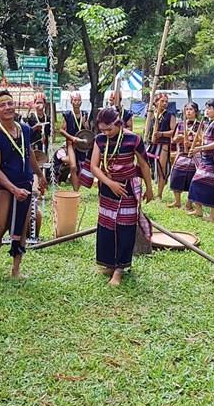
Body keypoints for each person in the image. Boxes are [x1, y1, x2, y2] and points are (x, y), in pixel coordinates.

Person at [0, 91, 46, 279]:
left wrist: (39, 174)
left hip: (25, 184)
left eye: (10, 103)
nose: (7, 108)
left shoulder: (25, 129)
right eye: (2, 105)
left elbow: (29, 153)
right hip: (6, 188)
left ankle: (16, 269)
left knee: (22, 226)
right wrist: (13, 189)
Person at [90, 106, 154, 286]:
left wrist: (149, 188)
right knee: (106, 227)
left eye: (109, 129)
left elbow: (144, 165)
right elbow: (94, 166)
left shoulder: (133, 139)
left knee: (125, 228)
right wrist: (110, 183)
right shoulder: (100, 140)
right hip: (107, 188)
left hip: (127, 189)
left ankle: (120, 269)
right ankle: (109, 264)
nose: (106, 133)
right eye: (102, 129)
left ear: (118, 124)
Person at [187, 99, 214, 222]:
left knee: (212, 186)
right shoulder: (209, 123)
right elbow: (205, 139)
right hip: (206, 158)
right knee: (196, 182)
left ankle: (213, 216)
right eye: (207, 108)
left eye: (210, 108)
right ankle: (198, 210)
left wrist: (199, 148)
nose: (207, 110)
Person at [168, 102, 201, 210]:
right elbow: (174, 139)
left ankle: (189, 203)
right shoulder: (180, 124)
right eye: (186, 110)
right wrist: (179, 138)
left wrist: (191, 143)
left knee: (192, 179)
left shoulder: (200, 125)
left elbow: (202, 141)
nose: (188, 112)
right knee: (176, 176)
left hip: (194, 156)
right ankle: (177, 201)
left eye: (191, 109)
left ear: (196, 112)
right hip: (181, 155)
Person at [60, 91, 93, 190]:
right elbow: (61, 130)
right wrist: (72, 138)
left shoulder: (84, 114)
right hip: (71, 143)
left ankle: (76, 190)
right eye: (75, 100)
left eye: (79, 100)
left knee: (81, 167)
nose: (77, 102)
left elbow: (88, 130)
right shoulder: (68, 114)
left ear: (81, 102)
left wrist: (85, 124)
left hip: (82, 145)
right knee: (73, 166)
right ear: (71, 102)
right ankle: (75, 191)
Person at [147, 93, 175, 201]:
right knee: (147, 166)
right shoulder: (151, 114)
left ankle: (159, 194)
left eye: (166, 101)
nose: (164, 103)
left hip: (164, 145)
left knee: (161, 169)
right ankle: (148, 191)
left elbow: (173, 131)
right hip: (151, 144)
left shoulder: (170, 115)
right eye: (162, 101)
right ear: (156, 102)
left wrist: (161, 134)